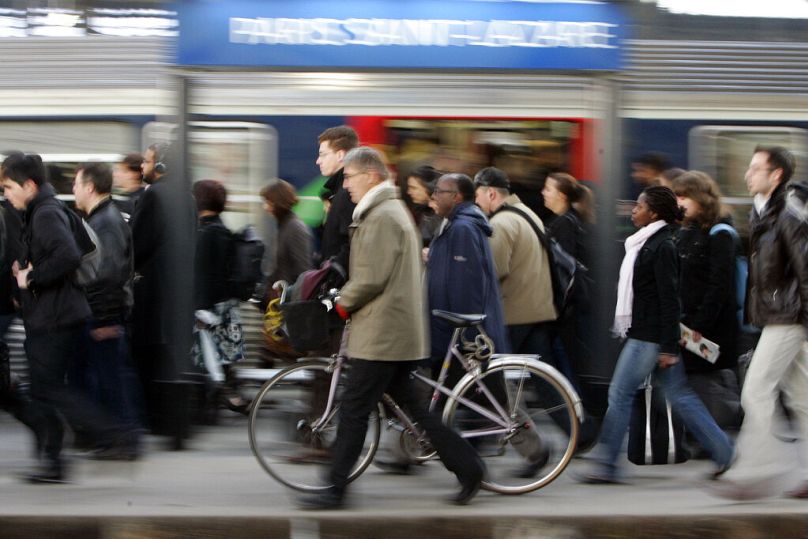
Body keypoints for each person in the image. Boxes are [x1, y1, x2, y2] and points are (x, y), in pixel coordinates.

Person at [297, 147, 484, 510]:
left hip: (383, 333)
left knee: (353, 409)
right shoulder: (385, 211)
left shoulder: (381, 216)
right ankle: (469, 467)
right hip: (393, 331)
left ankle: (335, 489)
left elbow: (371, 278)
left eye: (349, 177)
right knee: (415, 410)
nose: (345, 184)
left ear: (371, 175)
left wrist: (340, 303)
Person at [578, 186, 733, 484]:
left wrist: (667, 348)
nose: (633, 210)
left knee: (619, 394)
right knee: (681, 395)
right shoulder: (647, 243)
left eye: (639, 206)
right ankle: (724, 452)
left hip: (649, 338)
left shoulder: (662, 247)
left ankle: (607, 464)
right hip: (651, 334)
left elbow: (669, 299)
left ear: (655, 213)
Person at [2, 152, 135, 482]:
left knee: (50, 390)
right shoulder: (41, 209)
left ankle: (112, 431)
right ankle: (55, 462)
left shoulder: (45, 213)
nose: (5, 194)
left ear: (28, 185)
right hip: (52, 314)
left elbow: (67, 255)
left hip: (55, 318)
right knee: (46, 390)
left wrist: (30, 279)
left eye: (7, 187)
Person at [711, 146, 808, 500]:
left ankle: (759, 471)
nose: (747, 175)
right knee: (801, 396)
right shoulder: (765, 212)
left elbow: (805, 268)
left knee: (756, 389)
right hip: (780, 313)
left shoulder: (789, 213)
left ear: (776, 175)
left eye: (755, 169)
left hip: (790, 316)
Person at [130, 143, 197, 448]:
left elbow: (137, 244)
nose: (141, 168)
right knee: (168, 354)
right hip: (176, 290)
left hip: (152, 291)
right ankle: (170, 421)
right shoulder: (187, 196)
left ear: (160, 167)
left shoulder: (153, 195)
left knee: (146, 354)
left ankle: (154, 421)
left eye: (146, 162)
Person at [72, 162, 141, 440]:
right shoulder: (102, 219)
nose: (73, 190)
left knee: (110, 380)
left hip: (103, 314)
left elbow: (107, 274)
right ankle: (114, 436)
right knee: (106, 378)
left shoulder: (105, 223)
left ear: (90, 187)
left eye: (76, 184)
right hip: (101, 311)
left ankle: (125, 437)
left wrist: (102, 319)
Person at [428, 172, 509, 361]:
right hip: (451, 331)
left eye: (439, 191)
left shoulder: (462, 228)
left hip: (460, 338)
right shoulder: (456, 225)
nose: (433, 196)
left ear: (456, 197)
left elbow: (466, 285)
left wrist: (467, 338)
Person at [191, 180, 246, 418]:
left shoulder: (206, 232)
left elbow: (204, 274)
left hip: (210, 307)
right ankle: (224, 399)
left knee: (206, 359)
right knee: (217, 361)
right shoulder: (222, 229)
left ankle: (211, 407)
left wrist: (200, 308)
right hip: (224, 305)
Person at [315, 126, 359, 272]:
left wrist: (330, 273)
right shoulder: (337, 192)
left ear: (340, 155)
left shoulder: (347, 193)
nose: (318, 161)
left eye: (323, 155)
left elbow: (350, 244)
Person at [261, 179, 313, 287]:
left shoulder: (295, 228)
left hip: (288, 298)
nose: (265, 207)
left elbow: (303, 271)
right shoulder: (284, 225)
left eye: (268, 202)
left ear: (278, 202)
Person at [404, 164, 442, 247]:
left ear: (429, 188)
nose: (409, 192)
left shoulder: (441, 216)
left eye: (413, 188)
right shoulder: (421, 212)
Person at [112, 153, 145, 220]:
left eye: (123, 171)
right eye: (116, 170)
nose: (115, 174)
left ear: (135, 174)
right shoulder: (120, 198)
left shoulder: (140, 202)